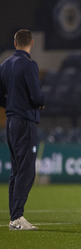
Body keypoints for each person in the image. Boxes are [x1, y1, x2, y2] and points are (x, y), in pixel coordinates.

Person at [0, 29, 45, 230]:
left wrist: (11, 104)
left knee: (16, 171)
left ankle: (14, 217)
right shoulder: (29, 64)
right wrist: (39, 103)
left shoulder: (5, 65)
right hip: (25, 121)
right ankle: (17, 217)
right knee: (26, 171)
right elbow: (36, 95)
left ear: (15, 42)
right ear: (32, 43)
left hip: (10, 121)